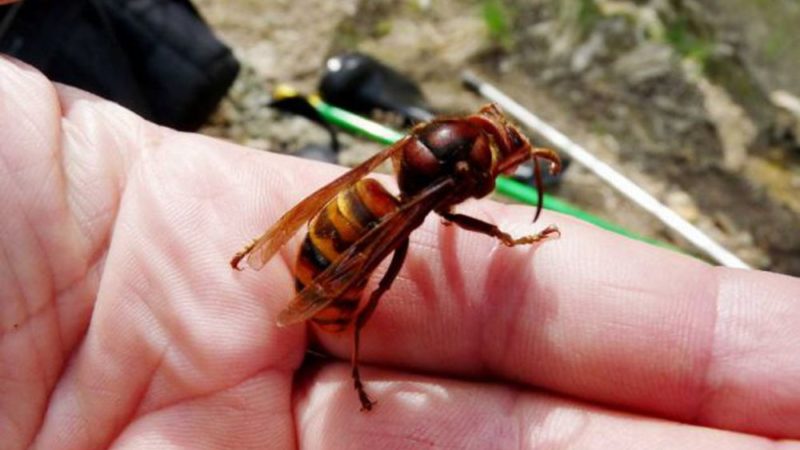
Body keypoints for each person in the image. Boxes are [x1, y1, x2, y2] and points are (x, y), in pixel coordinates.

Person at [1, 54, 799, 449]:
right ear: (464, 160)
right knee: (380, 270)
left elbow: (455, 191)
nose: (499, 160)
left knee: (367, 223)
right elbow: (459, 211)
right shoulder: (436, 188)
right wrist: (518, 227)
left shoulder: (427, 152)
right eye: (495, 153)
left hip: (348, 207)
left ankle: (311, 299)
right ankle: (348, 352)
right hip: (348, 243)